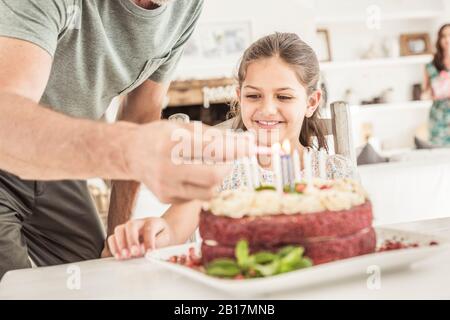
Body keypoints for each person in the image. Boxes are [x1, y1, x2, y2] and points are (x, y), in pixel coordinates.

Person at [0, 0, 255, 278]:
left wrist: (117, 239)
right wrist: (130, 152)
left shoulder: (186, 6)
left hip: (60, 162)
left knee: (95, 279)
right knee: (13, 284)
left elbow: (140, 116)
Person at [106, 32, 356, 260]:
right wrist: (151, 233)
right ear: (239, 97)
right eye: (254, 95)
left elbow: (355, 245)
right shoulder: (220, 171)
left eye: (284, 97)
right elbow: (172, 230)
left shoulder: (334, 173)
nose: (267, 109)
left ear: (311, 102)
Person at [422, 24, 450, 146]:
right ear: (439, 40)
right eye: (444, 36)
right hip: (439, 117)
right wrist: (432, 93)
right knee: (439, 154)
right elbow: (424, 94)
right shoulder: (431, 65)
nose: (447, 39)